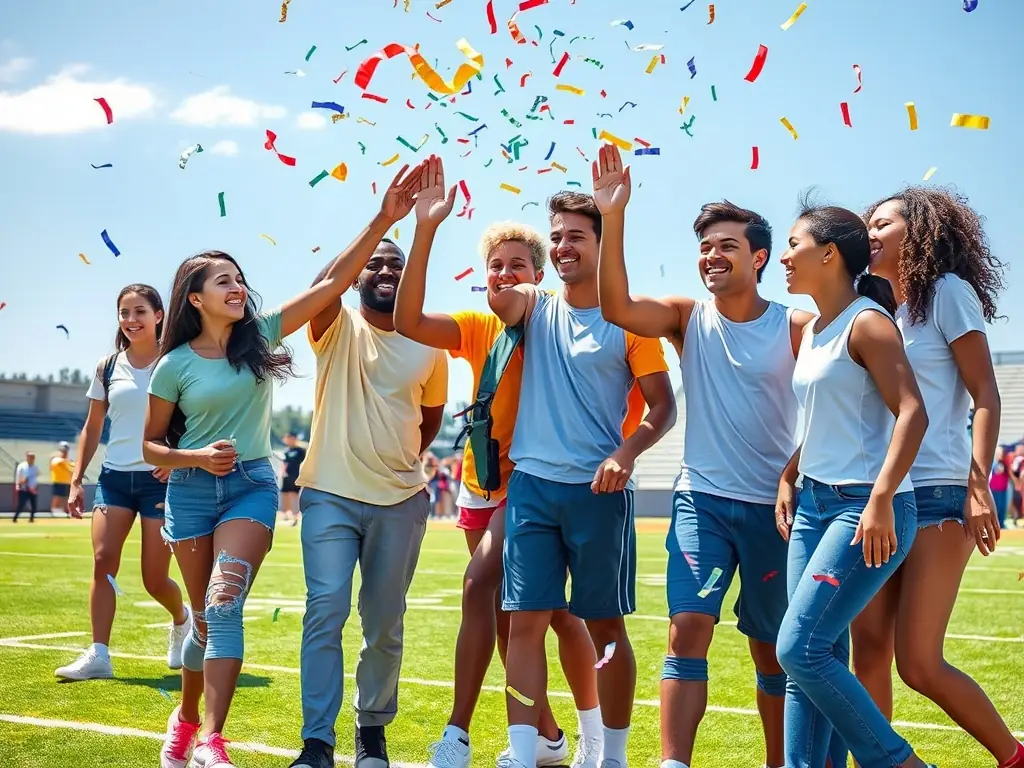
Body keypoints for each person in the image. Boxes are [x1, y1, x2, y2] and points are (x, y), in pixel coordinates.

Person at [144, 160, 428, 768]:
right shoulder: (173, 365)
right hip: (190, 491)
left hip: (251, 486)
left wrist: (385, 218)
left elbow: (333, 284)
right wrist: (193, 456)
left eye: (239, 278)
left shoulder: (262, 333)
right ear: (195, 298)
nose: (237, 287)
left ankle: (213, 743)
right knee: (203, 622)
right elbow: (150, 447)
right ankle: (187, 719)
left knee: (224, 602)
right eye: (223, 281)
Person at [591, 144, 825, 768]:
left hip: (777, 511)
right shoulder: (685, 317)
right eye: (704, 247)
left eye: (726, 245)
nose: (711, 256)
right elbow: (617, 308)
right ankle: (674, 763)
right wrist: (614, 215)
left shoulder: (797, 326)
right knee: (687, 629)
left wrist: (794, 470)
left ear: (759, 257)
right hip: (703, 501)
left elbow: (841, 404)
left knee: (772, 649)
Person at [393, 155, 603, 768]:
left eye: (518, 266)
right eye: (495, 265)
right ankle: (551, 736)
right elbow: (408, 320)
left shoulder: (556, 320)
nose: (505, 274)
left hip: (536, 484)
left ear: (540, 276)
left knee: (487, 588)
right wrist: (425, 228)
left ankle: (461, 732)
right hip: (480, 485)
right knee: (527, 616)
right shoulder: (479, 325)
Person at [493, 186, 676, 768]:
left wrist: (627, 452)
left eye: (576, 235)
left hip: (599, 494)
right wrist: (502, 277)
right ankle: (525, 753)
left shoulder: (630, 322)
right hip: (531, 489)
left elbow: (663, 407)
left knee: (606, 629)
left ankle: (612, 756)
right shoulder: (534, 304)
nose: (563, 246)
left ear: (601, 242)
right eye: (556, 236)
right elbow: (503, 301)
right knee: (523, 625)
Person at [852, 188, 1024, 768]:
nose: (870, 232)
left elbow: (986, 393)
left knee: (919, 663)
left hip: (938, 493)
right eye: (867, 224)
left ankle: (1013, 756)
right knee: (866, 653)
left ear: (920, 231)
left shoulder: (947, 292)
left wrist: (978, 487)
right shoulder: (875, 310)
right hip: (879, 495)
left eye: (883, 223)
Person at [287, 163, 449, 768]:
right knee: (325, 611)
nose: (385, 272)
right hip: (328, 493)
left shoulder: (431, 342)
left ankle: (371, 731)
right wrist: (385, 220)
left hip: (400, 500)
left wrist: (393, 456)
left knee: (384, 624)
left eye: (396, 266)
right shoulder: (334, 323)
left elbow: (429, 423)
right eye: (375, 265)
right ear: (357, 277)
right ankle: (317, 741)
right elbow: (323, 284)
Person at [774, 199, 934, 768]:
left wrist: (882, 498)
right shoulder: (818, 328)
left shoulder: (868, 322)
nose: (784, 258)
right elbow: (829, 420)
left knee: (799, 649)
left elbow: (913, 412)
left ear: (828, 253)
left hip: (864, 508)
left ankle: (900, 763)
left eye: (793, 245)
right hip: (814, 505)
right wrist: (790, 475)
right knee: (808, 661)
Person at [54, 284, 192, 683]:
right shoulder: (108, 366)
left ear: (159, 316)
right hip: (114, 479)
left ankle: (181, 619)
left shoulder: (177, 360)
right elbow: (92, 426)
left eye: (140, 312)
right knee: (103, 562)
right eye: (124, 313)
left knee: (154, 579)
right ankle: (99, 653)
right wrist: (76, 479)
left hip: (159, 482)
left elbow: (197, 417)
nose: (131, 320)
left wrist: (176, 457)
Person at [280, 432, 306, 526]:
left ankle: (296, 516)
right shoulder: (286, 451)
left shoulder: (300, 450)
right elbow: (284, 463)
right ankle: (287, 515)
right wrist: (282, 473)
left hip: (296, 476)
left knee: (294, 495)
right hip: (287, 476)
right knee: (284, 495)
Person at [13, 451, 40, 523]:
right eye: (30, 457)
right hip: (23, 488)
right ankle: (15, 518)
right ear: (27, 457)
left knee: (34, 505)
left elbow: (35, 477)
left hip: (33, 489)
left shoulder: (35, 467)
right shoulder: (22, 466)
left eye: (33, 457)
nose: (32, 459)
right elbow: (19, 477)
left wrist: (35, 487)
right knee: (21, 504)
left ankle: (31, 519)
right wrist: (19, 484)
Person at [50, 441, 75, 516]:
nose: (64, 452)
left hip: (67, 482)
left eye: (66, 451)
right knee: (57, 496)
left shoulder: (69, 461)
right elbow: (55, 465)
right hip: (58, 481)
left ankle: (66, 511)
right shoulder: (56, 460)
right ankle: (54, 511)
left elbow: (73, 468)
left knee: (66, 497)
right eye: (63, 451)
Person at [991, 446, 1010, 530]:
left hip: (1003, 489)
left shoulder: (1005, 463)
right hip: (994, 488)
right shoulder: (993, 463)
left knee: (1002, 507)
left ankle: (1001, 523)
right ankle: (995, 523)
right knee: (996, 507)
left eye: (1001, 453)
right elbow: (997, 471)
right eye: (998, 453)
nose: (1000, 455)